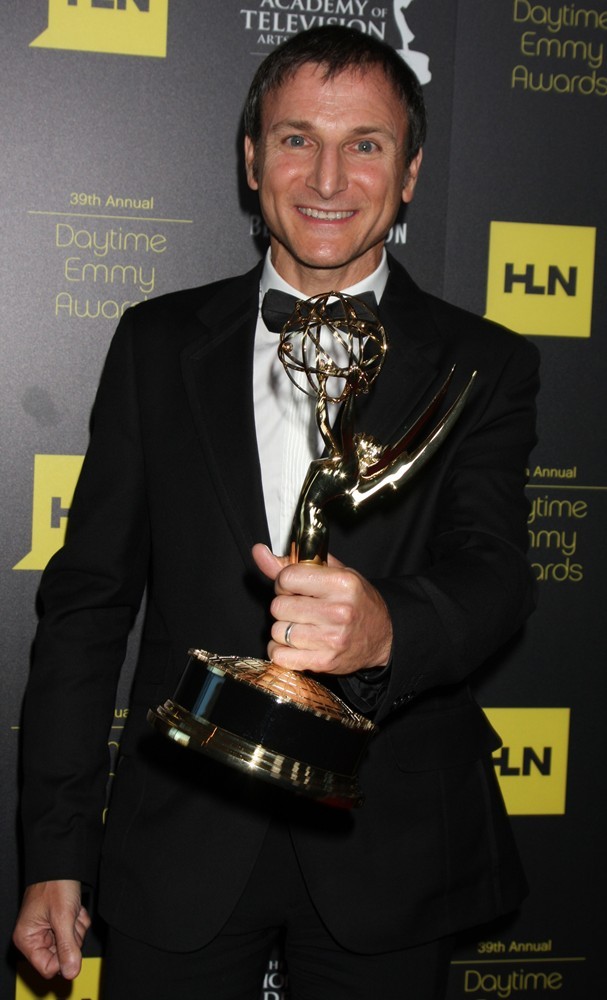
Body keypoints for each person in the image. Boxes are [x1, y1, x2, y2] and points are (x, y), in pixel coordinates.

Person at [13, 25, 539, 1000]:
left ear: (410, 173)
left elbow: (495, 573)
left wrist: (388, 628)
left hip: (392, 841)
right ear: (252, 160)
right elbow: (86, 607)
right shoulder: (155, 343)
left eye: (365, 144)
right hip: (179, 836)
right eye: (298, 139)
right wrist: (55, 848)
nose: (327, 178)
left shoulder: (484, 363)